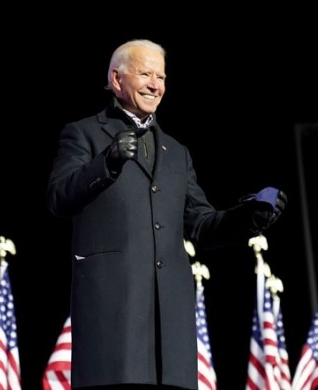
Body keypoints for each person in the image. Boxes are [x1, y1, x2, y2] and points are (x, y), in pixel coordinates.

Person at [46, 39, 287, 390]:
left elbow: (201, 226)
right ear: (116, 80)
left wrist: (250, 216)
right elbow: (58, 198)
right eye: (145, 73)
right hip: (113, 326)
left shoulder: (176, 152)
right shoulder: (83, 134)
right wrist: (108, 163)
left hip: (171, 330)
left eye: (161, 76)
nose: (155, 84)